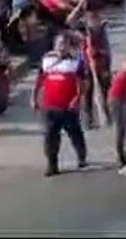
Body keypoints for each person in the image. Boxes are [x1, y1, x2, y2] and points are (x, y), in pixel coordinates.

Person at [32, 34, 89, 177]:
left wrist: (77, 99)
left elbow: (83, 83)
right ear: (55, 45)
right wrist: (34, 98)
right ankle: (52, 164)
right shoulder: (47, 60)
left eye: (65, 44)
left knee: (75, 133)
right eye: (60, 43)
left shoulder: (76, 62)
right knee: (50, 136)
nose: (62, 46)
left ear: (70, 46)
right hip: (50, 106)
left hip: (68, 106)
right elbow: (39, 80)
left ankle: (81, 156)